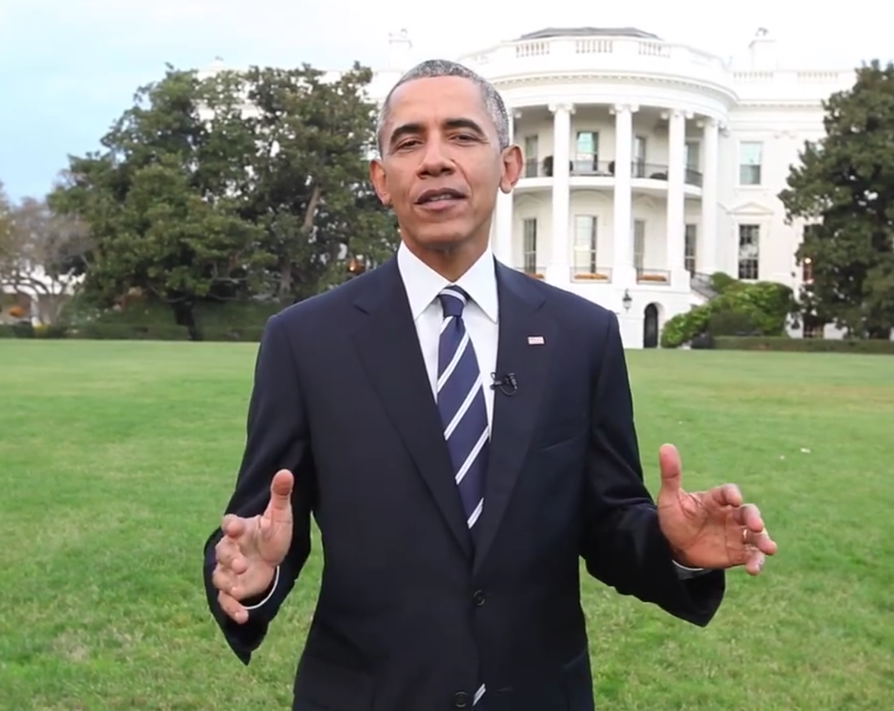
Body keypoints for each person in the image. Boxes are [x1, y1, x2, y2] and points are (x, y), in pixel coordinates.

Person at [203, 59, 778, 711]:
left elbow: (609, 517)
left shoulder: (580, 335)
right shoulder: (306, 340)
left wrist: (675, 549)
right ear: (381, 180)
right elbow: (259, 524)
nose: (435, 160)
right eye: (409, 141)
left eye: (462, 135)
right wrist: (252, 576)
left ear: (508, 167)